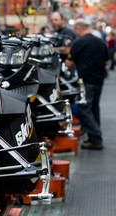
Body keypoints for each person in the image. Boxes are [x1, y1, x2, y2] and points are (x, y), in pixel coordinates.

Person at [65, 18, 109, 150]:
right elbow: (107, 62)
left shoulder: (79, 42)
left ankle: (96, 138)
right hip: (99, 80)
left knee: (84, 108)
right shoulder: (100, 41)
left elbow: (68, 63)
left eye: (75, 30)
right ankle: (93, 137)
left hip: (86, 81)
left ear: (79, 28)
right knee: (94, 108)